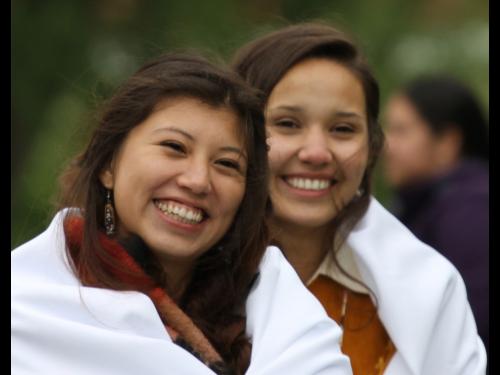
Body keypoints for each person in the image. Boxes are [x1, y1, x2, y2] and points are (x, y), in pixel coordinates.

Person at [11, 52, 353, 375]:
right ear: (108, 165)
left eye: (226, 164)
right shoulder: (28, 312)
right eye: (174, 147)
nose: (198, 181)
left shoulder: (281, 313)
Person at [232, 23, 487, 374]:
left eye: (343, 129)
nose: (317, 153)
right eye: (288, 123)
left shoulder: (428, 290)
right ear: (237, 135)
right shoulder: (179, 278)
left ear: (372, 148)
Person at [383, 75, 489, 359]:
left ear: (447, 142)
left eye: (401, 131)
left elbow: (473, 321)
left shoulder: (471, 211)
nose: (386, 145)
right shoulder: (423, 204)